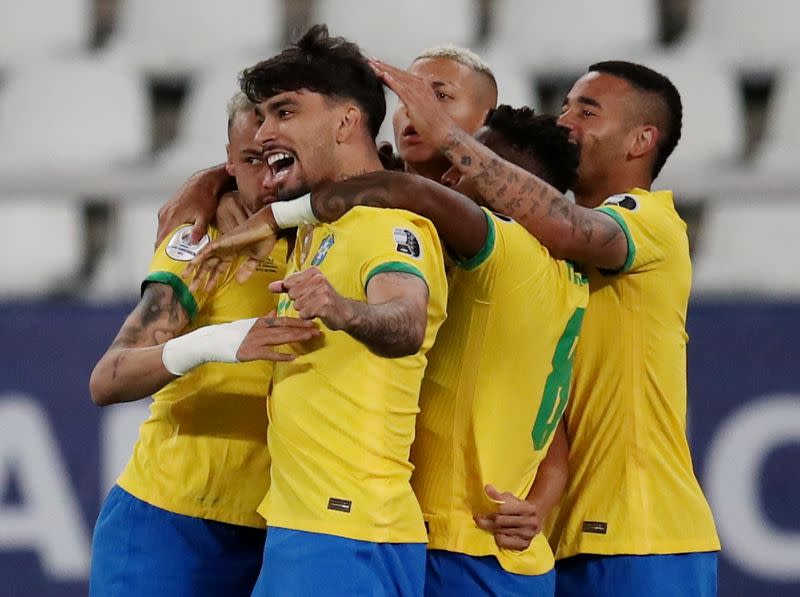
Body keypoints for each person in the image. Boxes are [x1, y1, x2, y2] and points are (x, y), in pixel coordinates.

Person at [189, 105, 587, 597]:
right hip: (499, 553)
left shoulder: (506, 253)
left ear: (511, 187)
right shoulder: (566, 278)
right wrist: (219, 184)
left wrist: (275, 213)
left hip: (463, 545)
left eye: (463, 169)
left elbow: (404, 190)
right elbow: (555, 421)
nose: (447, 179)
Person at [366, 58, 721, 597]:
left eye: (587, 109)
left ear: (640, 140)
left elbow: (571, 225)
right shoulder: (540, 256)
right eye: (564, 106)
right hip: (550, 539)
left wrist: (448, 135)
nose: (564, 120)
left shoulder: (650, 222)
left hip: (641, 534)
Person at [190, 25, 448, 597]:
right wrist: (214, 188)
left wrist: (342, 308)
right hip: (317, 528)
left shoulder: (388, 225)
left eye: (284, 112)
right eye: (261, 117)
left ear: (345, 122)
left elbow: (405, 320)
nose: (266, 131)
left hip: (344, 529)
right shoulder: (314, 223)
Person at [87, 92, 321, 597]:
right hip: (170, 522)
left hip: (283, 530)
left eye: (279, 159)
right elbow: (108, 378)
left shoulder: (338, 232)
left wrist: (211, 178)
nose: (265, 181)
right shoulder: (203, 240)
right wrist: (218, 342)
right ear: (230, 159)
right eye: (248, 161)